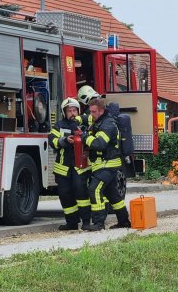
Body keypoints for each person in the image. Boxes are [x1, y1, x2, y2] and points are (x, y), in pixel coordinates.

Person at [81, 98, 132, 231]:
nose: (91, 114)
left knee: (94, 189)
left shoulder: (108, 124)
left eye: (94, 112)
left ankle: (98, 223)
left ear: (102, 111)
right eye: (90, 111)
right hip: (105, 164)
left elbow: (99, 145)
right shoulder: (100, 120)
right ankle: (124, 221)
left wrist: (85, 137)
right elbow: (85, 119)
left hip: (108, 165)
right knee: (113, 194)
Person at [49, 98, 90, 231]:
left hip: (80, 166)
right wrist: (64, 140)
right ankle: (72, 223)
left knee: (81, 193)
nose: (72, 113)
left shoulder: (85, 124)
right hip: (63, 168)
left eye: (74, 110)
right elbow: (52, 140)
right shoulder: (59, 125)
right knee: (65, 195)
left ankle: (86, 222)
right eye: (69, 111)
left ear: (78, 111)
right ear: (64, 112)